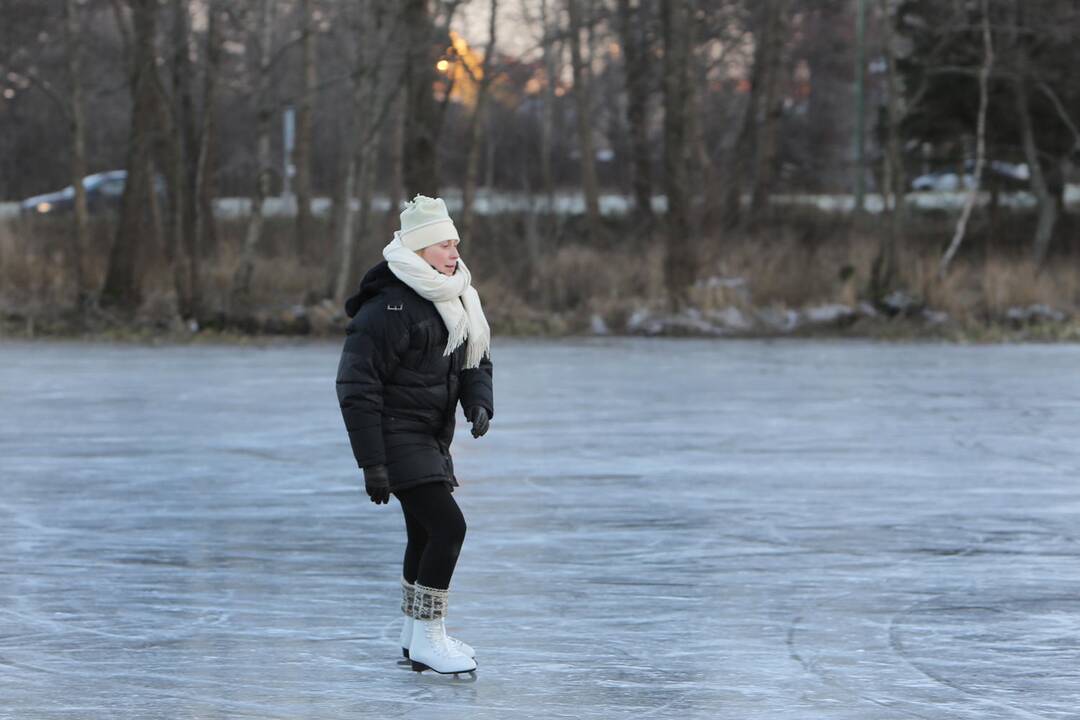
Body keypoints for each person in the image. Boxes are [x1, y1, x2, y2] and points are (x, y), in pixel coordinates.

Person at [335, 194, 493, 675]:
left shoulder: (455, 296)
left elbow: (474, 357)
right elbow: (356, 387)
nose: (454, 252)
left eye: (456, 243)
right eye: (444, 244)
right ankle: (429, 636)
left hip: (429, 435)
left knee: (424, 533)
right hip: (395, 434)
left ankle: (413, 633)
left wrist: (479, 400)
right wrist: (373, 463)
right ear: (420, 250)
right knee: (449, 528)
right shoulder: (389, 308)